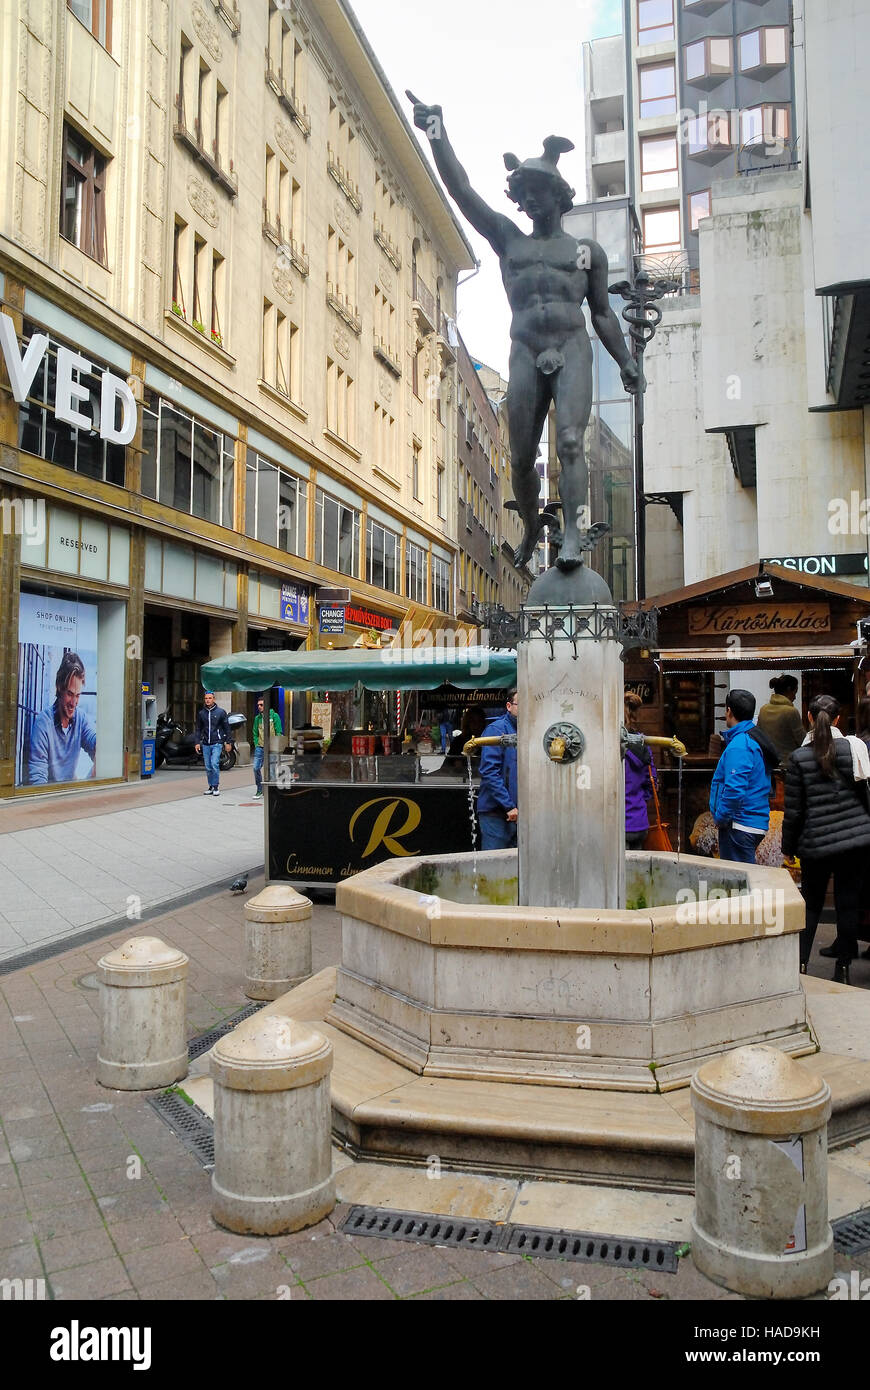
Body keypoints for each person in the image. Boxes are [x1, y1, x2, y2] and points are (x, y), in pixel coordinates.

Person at [408, 95, 640, 570]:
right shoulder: (508, 240)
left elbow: (601, 314)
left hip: (572, 347)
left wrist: (627, 360)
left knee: (572, 441)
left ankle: (572, 534)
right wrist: (436, 132)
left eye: (539, 191)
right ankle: (533, 526)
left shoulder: (586, 252)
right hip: (525, 349)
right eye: (524, 192)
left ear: (559, 195)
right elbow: (463, 191)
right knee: (518, 459)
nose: (530, 200)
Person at [781, 694, 870, 982]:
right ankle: (843, 969)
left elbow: (793, 811)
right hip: (855, 842)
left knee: (811, 904)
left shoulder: (798, 758)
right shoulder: (854, 748)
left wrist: (788, 847)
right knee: (847, 903)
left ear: (808, 717)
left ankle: (801, 965)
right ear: (838, 719)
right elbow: (865, 796)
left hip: (815, 843)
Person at [709, 689, 776, 863]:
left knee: (737, 886)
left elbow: (734, 789)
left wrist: (721, 818)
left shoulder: (740, 745)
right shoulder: (751, 738)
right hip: (750, 822)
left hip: (739, 824)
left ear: (729, 711)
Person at [27, 651, 97, 785]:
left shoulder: (80, 718)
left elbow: (93, 742)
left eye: (77, 696)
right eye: (70, 694)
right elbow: (37, 779)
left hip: (71, 791)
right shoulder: (43, 724)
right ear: (59, 687)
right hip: (50, 794)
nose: (74, 703)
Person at [476, 691, 518, 850]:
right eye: (520, 704)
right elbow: (489, 771)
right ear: (509, 706)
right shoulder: (496, 730)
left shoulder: (529, 730)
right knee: (494, 869)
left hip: (517, 814)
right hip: (496, 814)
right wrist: (508, 806)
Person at [624, 692, 656, 849]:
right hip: (640, 822)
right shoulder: (645, 744)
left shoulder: (612, 745)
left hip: (619, 825)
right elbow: (652, 783)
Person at [756, 675, 805, 767]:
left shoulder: (763, 709)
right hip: (788, 763)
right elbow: (802, 740)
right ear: (789, 689)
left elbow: (759, 736)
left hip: (767, 762)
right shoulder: (791, 712)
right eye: (795, 692)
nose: (795, 697)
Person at [194, 691, 232, 797]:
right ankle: (210, 786)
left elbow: (227, 728)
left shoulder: (221, 712)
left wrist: (228, 742)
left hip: (217, 743)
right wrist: (197, 742)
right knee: (208, 766)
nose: (208, 700)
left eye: (210, 698)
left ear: (214, 699)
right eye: (206, 698)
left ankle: (215, 786)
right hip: (206, 743)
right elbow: (198, 729)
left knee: (214, 763)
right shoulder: (201, 713)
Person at [438, 706, 487, 775]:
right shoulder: (458, 741)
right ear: (467, 723)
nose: (476, 725)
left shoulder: (488, 741)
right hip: (459, 781)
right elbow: (445, 767)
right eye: (473, 721)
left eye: (479, 721)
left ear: (483, 723)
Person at [252, 695, 282, 798]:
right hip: (260, 747)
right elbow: (255, 732)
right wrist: (256, 744)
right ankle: (260, 789)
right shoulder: (257, 718)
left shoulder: (275, 716)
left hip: (272, 747)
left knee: (272, 770)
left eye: (261, 705)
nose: (259, 707)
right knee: (256, 768)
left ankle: (271, 791)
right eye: (258, 705)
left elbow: (279, 732)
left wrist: (276, 746)